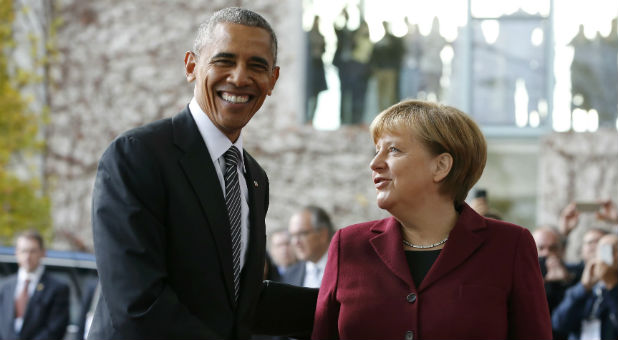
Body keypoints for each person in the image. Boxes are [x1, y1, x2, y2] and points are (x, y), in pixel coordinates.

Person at [88, 8, 317, 339]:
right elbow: (138, 304)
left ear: (273, 80)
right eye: (224, 61)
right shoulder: (137, 155)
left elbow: (240, 301)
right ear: (192, 67)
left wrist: (359, 306)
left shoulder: (254, 177)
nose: (239, 78)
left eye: (257, 66)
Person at [312, 100, 551, 339]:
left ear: (441, 166)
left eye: (393, 149)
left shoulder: (509, 246)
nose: (374, 163)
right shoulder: (349, 245)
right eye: (377, 151)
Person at [0, 230, 69, 340]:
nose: (27, 256)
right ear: (16, 252)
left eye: (32, 251)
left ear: (42, 253)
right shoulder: (5, 286)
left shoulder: (57, 288)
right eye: (24, 251)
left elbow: (55, 328)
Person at [552, 234, 618, 339]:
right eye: (604, 249)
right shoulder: (579, 282)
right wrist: (583, 287)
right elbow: (559, 323)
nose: (611, 255)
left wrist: (611, 286)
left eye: (613, 249)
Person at [282, 206, 334, 288]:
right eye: (292, 236)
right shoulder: (289, 276)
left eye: (302, 234)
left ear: (323, 234)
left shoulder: (348, 269)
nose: (296, 242)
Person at [532, 226, 578, 315]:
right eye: (541, 248)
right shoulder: (522, 276)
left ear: (562, 250)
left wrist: (565, 282)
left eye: (553, 248)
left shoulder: (572, 275)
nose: (546, 253)